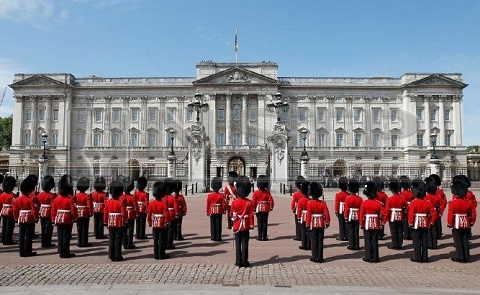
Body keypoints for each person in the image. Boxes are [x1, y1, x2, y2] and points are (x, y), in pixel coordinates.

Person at [408, 178, 437, 263]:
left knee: (416, 242)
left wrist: (411, 223)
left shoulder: (414, 202)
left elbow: (411, 214)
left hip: (416, 224)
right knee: (424, 241)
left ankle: (417, 257)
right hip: (425, 224)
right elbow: (433, 214)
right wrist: (431, 222)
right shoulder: (428, 202)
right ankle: (425, 257)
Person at [448, 179, 476, 263]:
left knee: (458, 240)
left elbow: (450, 214)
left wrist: (450, 223)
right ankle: (466, 256)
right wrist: (472, 222)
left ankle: (460, 257)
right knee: (465, 240)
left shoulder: (453, 202)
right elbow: (473, 213)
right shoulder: (468, 202)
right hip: (466, 222)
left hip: (457, 223)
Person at [230, 175, 254, 268]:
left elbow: (231, 214)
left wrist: (233, 219)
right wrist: (251, 226)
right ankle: (245, 261)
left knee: (237, 244)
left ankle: (238, 261)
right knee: (245, 244)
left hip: (237, 225)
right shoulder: (250, 202)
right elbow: (251, 215)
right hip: (246, 226)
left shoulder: (235, 202)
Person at [51, 174, 77, 258]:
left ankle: (60, 251)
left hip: (58, 218)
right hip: (67, 219)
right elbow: (73, 211)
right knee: (66, 236)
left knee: (60, 236)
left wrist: (53, 219)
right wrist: (74, 218)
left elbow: (53, 210)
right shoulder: (70, 200)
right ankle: (65, 253)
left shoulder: (56, 199)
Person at [13, 177, 38, 257]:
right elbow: (34, 210)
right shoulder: (31, 199)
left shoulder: (18, 199)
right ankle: (28, 251)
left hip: (21, 218)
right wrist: (35, 218)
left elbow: (15, 210)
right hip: (29, 218)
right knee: (28, 236)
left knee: (21, 235)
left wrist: (16, 218)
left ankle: (21, 251)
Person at [305, 181, 330, 263]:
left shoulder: (310, 203)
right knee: (320, 240)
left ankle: (315, 256)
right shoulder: (323, 203)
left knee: (314, 240)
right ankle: (320, 257)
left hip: (313, 223)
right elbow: (326, 213)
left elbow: (308, 215)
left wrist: (307, 224)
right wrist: (327, 222)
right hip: (321, 223)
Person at [147, 180, 171, 260]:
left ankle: (156, 255)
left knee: (155, 240)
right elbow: (166, 214)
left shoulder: (151, 203)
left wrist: (150, 222)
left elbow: (149, 214)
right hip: (162, 223)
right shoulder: (164, 204)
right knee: (162, 240)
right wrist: (168, 221)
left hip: (155, 223)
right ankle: (162, 254)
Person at [104, 180, 127, 262]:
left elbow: (106, 212)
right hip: (118, 222)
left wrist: (105, 222)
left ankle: (111, 255)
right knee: (118, 239)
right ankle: (117, 255)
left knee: (111, 239)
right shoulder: (121, 202)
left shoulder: (108, 202)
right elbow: (123, 213)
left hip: (110, 222)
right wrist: (125, 221)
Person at [360, 181, 382, 263]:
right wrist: (381, 223)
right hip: (376, 224)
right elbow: (382, 214)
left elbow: (361, 215)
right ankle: (375, 257)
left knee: (368, 241)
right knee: (375, 241)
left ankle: (368, 256)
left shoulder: (364, 203)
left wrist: (361, 224)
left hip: (367, 224)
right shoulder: (378, 203)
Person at [383, 177, 406, 250]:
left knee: (394, 231)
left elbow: (387, 210)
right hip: (400, 216)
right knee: (400, 230)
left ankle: (395, 244)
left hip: (392, 216)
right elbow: (406, 207)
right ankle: (400, 244)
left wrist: (384, 220)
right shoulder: (402, 198)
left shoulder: (389, 199)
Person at [252, 175, 274, 241]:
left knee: (259, 223)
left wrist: (253, 208)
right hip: (266, 208)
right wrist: (271, 207)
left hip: (258, 208)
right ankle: (264, 237)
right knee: (265, 223)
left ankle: (259, 236)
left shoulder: (256, 193)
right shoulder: (267, 192)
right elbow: (271, 200)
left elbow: (254, 201)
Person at [37, 175, 56, 248]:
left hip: (42, 212)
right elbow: (53, 206)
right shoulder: (51, 195)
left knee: (43, 228)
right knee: (48, 229)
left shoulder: (40, 194)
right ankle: (47, 243)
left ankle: (43, 242)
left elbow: (38, 204)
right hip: (49, 213)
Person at [344, 179, 363, 250]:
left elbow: (346, 209)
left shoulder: (348, 198)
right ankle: (357, 245)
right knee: (356, 231)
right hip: (357, 216)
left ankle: (351, 245)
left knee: (351, 231)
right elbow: (361, 210)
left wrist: (345, 217)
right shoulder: (360, 199)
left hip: (350, 216)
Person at [206, 177, 227, 241]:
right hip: (219, 210)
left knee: (212, 224)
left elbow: (208, 204)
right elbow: (224, 203)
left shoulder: (210, 195)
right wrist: (224, 210)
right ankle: (218, 237)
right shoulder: (221, 195)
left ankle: (213, 236)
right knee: (218, 224)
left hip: (212, 210)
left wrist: (207, 211)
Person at [75, 176, 93, 247]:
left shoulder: (76, 195)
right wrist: (91, 212)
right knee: (85, 228)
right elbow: (89, 205)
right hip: (85, 213)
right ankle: (84, 242)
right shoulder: (87, 196)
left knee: (79, 228)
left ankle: (79, 242)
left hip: (78, 212)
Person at [425, 176, 441, 250]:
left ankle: (429, 244)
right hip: (436, 213)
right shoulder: (437, 197)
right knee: (434, 229)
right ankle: (434, 244)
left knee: (428, 229)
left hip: (428, 213)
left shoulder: (426, 197)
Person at [0, 175, 17, 245]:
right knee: (9, 228)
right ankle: (8, 240)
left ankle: (3, 238)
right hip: (10, 212)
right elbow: (15, 206)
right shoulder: (12, 196)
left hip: (3, 211)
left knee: (4, 226)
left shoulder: (2, 195)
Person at [121, 177, 137, 249]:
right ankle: (129, 244)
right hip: (131, 214)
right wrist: (137, 213)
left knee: (124, 229)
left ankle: (124, 243)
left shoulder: (121, 196)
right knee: (130, 230)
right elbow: (135, 206)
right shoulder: (132, 197)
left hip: (123, 214)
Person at [429, 174, 446, 239]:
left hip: (436, 209)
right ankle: (438, 234)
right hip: (437, 209)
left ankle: (437, 234)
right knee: (437, 222)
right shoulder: (439, 191)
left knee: (436, 222)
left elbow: (443, 202)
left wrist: (441, 210)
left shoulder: (439, 192)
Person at [296, 180, 311, 250]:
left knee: (303, 230)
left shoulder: (301, 200)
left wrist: (298, 218)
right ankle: (309, 244)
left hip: (303, 216)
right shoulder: (310, 200)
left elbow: (299, 210)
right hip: (309, 217)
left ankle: (304, 244)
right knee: (309, 230)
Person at [164, 178, 179, 249]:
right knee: (171, 230)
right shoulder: (173, 198)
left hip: (164, 215)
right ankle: (169, 244)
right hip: (171, 214)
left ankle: (165, 243)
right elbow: (176, 207)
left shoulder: (163, 198)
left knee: (165, 230)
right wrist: (177, 213)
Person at [291, 175, 306, 241]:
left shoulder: (296, 194)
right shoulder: (307, 193)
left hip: (298, 210)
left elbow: (293, 203)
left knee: (298, 223)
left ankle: (298, 236)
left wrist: (293, 209)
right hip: (306, 210)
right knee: (305, 223)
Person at [334, 176, 349, 241]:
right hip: (347, 210)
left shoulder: (338, 195)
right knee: (347, 223)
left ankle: (342, 236)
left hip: (340, 210)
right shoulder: (348, 195)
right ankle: (347, 235)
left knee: (341, 223)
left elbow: (337, 203)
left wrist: (336, 211)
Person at [400, 175, 414, 240]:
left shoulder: (402, 193)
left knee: (404, 221)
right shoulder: (411, 193)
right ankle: (410, 233)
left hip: (404, 207)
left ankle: (406, 234)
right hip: (410, 207)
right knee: (410, 220)